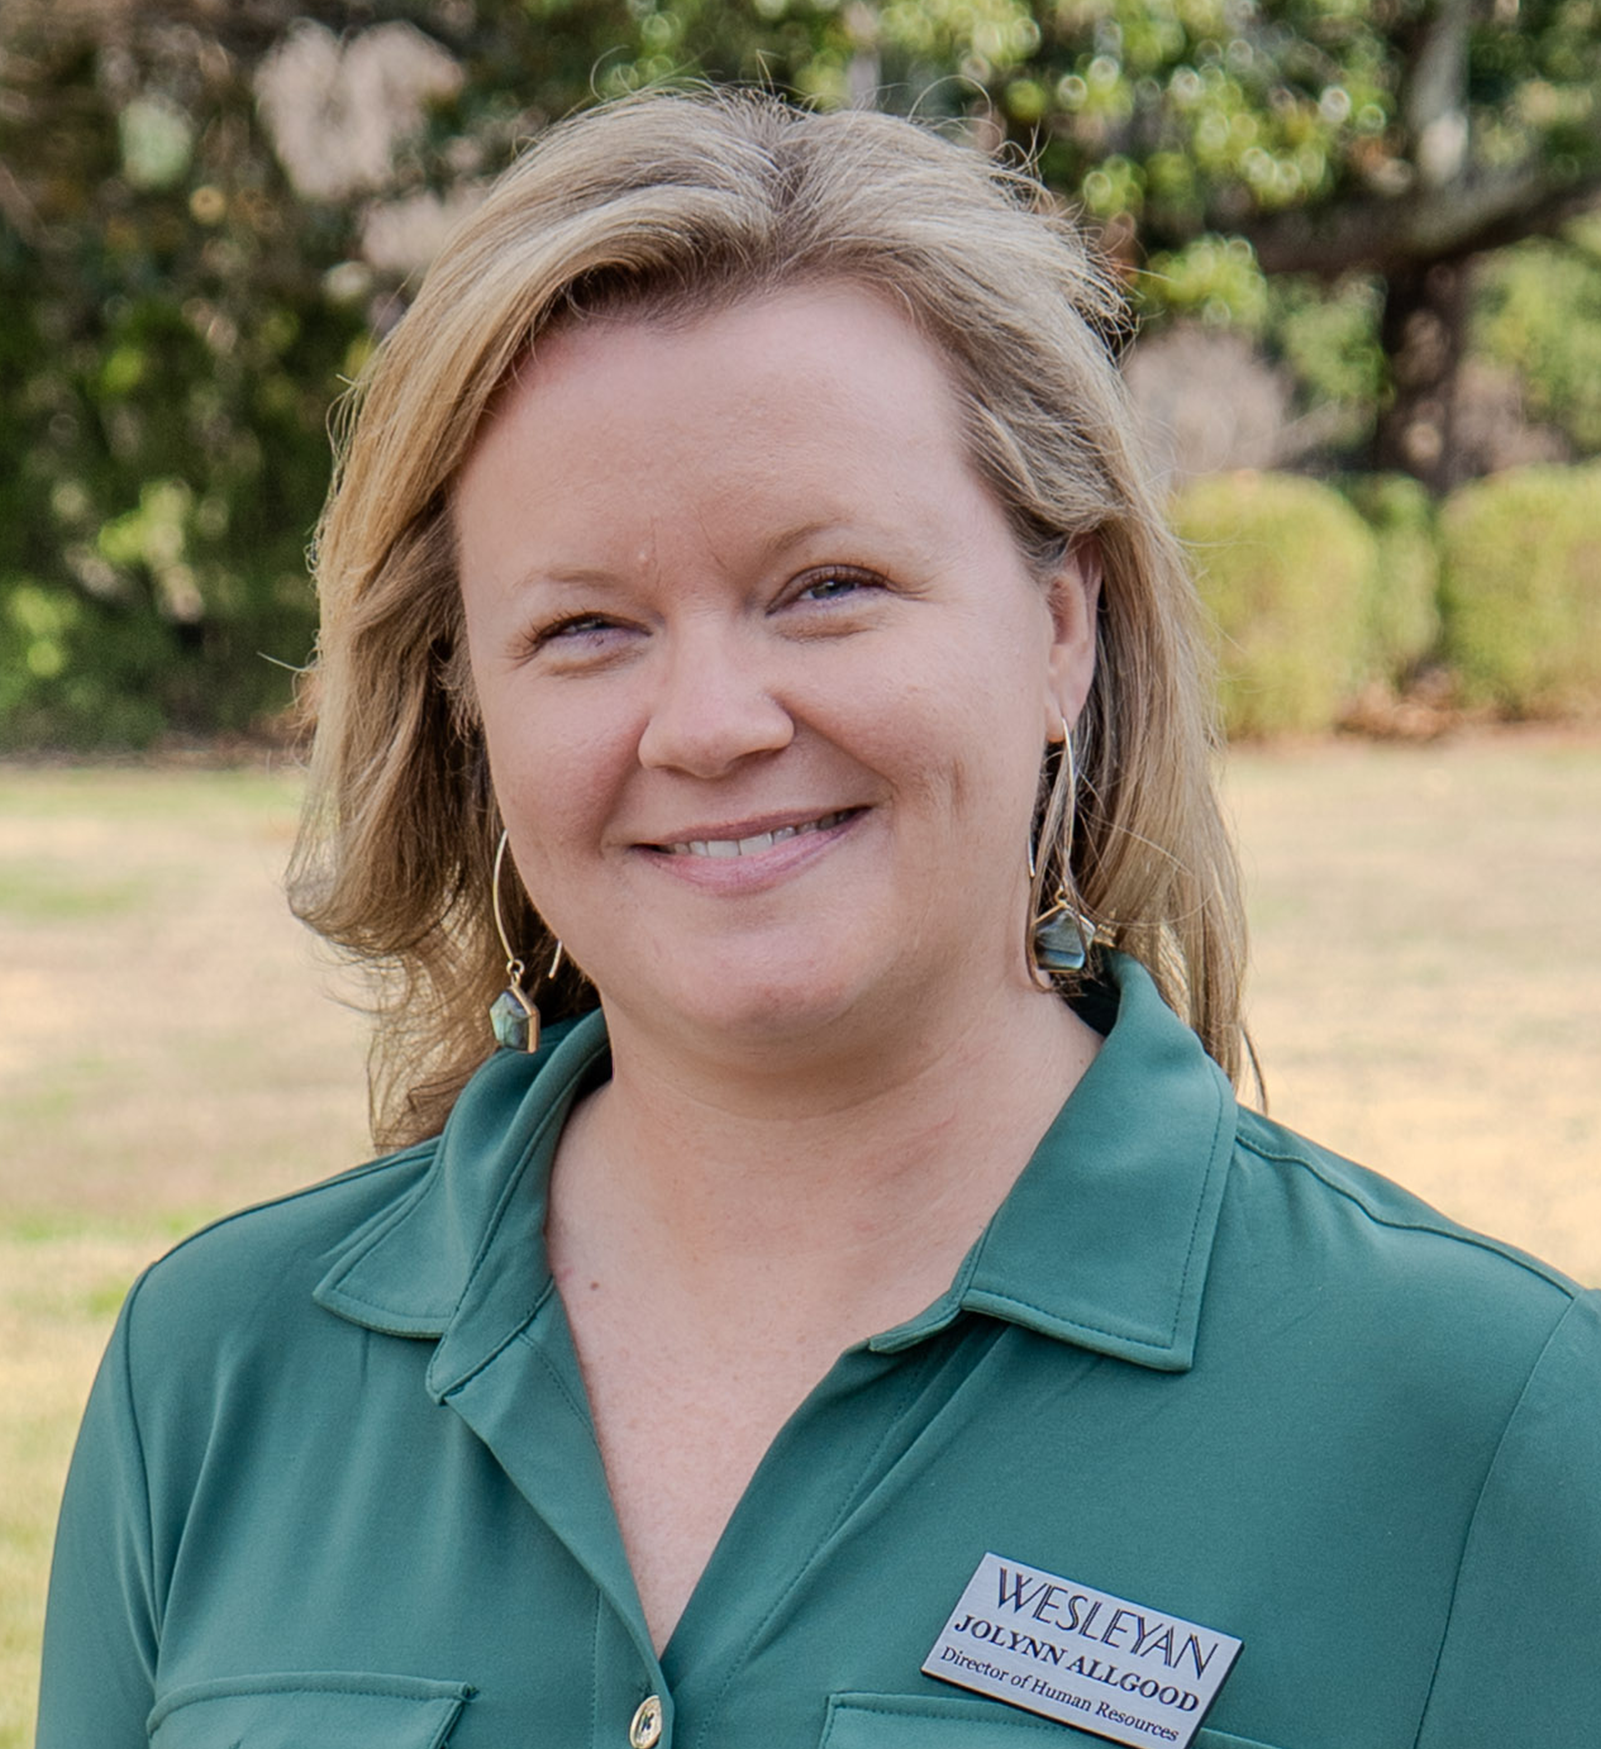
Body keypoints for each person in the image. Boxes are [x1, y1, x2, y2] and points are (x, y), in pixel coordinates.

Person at [38, 89, 1600, 1749]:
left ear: (1060, 628)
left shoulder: (1489, 1423)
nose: (708, 722)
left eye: (827, 588)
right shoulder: (211, 1377)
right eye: (583, 625)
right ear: (469, 703)